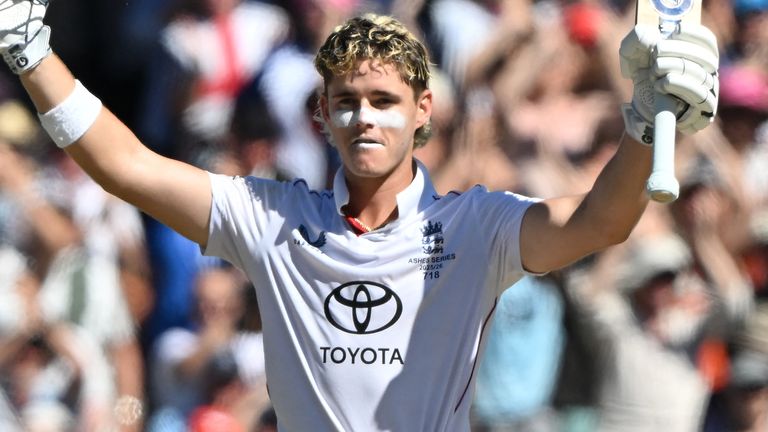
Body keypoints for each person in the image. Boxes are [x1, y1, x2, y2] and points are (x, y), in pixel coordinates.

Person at [0, 3, 719, 431]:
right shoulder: (269, 217)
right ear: (320, 116)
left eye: (384, 103)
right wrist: (32, 51)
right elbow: (123, 165)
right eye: (345, 102)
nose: (363, 119)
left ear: (422, 115)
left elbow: (600, 222)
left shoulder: (475, 227)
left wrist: (649, 123)